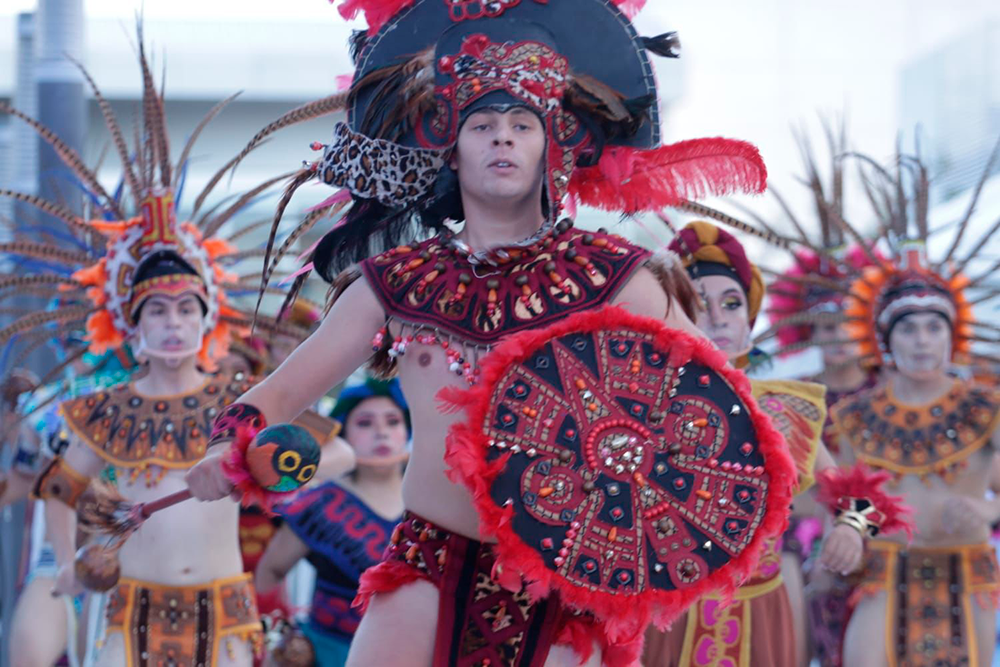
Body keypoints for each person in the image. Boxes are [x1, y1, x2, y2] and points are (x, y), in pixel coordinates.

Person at [183, 1, 804, 665]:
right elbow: (278, 395)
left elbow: (721, 412)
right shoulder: (396, 284)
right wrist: (225, 449)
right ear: (451, 150)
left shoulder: (617, 278)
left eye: (521, 125)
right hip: (426, 571)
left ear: (551, 148)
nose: (501, 138)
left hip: (564, 594)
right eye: (481, 125)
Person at [1, 34, 353, 666]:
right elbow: (58, 488)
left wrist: (259, 465)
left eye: (186, 310)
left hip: (225, 618)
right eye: (157, 312)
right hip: (129, 617)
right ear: (130, 327)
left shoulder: (241, 401)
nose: (172, 323)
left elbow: (340, 453)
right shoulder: (106, 407)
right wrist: (72, 564)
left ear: (207, 320)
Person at [643, 220, 908, 666]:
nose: (719, 317)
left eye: (732, 303)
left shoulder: (781, 408)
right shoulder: (639, 406)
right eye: (699, 303)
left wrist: (850, 527)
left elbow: (858, 496)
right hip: (669, 616)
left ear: (749, 322)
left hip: (761, 612)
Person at [828, 146, 1000, 667]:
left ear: (952, 335)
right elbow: (854, 499)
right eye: (908, 328)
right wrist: (851, 528)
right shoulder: (854, 417)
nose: (922, 341)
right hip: (884, 570)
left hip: (967, 570)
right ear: (885, 341)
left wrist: (989, 510)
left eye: (933, 327)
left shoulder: (987, 407)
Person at [257, 377, 409, 665]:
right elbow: (270, 572)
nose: (382, 433)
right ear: (344, 434)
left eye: (393, 422)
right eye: (365, 423)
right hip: (330, 653)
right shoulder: (320, 502)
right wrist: (282, 638)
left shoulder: (429, 503)